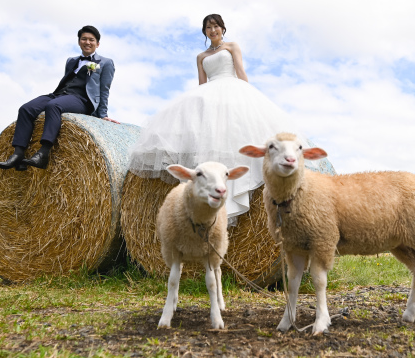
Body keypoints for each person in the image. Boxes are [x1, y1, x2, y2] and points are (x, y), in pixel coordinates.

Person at [129, 14, 304, 221]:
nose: (213, 30)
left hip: (232, 90)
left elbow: (240, 72)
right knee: (208, 141)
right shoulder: (201, 57)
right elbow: (202, 84)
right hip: (210, 96)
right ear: (204, 32)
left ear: (223, 28)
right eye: (208, 27)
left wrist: (248, 98)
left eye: (216, 26)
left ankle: (239, 189)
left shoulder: (232, 47)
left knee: (235, 138)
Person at [0, 25, 118, 171]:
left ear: (97, 44)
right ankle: (18, 154)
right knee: (26, 109)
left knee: (53, 106)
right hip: (60, 95)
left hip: (83, 100)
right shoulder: (71, 61)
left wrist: (102, 114)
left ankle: (43, 153)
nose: (87, 42)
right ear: (79, 42)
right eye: (84, 39)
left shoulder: (106, 62)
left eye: (91, 40)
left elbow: (104, 89)